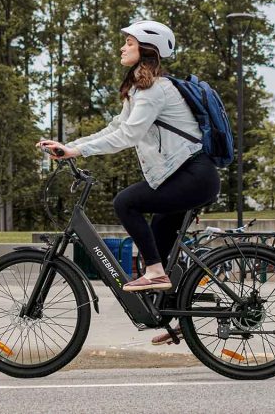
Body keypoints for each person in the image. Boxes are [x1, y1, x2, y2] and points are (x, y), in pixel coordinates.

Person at [37, 20, 220, 297]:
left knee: (126, 202)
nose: (123, 48)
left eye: (129, 43)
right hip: (185, 176)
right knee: (157, 245)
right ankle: (178, 315)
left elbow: (129, 136)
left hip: (194, 176)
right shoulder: (140, 89)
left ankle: (156, 274)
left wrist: (77, 151)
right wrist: (69, 146)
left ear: (147, 49)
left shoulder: (155, 90)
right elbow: (116, 128)